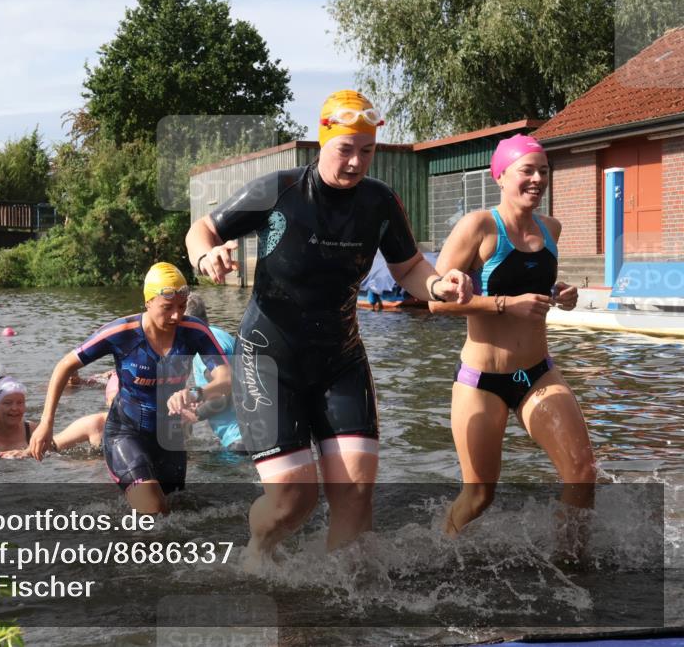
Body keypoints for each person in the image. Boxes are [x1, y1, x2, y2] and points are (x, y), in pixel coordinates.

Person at [184, 89, 473, 563]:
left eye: (367, 150)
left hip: (340, 359)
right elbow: (204, 228)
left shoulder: (379, 203)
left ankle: (340, 590)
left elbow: (407, 269)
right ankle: (258, 546)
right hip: (268, 359)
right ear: (323, 140)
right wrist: (206, 254)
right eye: (346, 149)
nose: (357, 162)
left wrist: (438, 286)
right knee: (294, 501)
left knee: (357, 490)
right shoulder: (279, 190)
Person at [430, 134, 596, 543]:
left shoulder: (551, 227)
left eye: (544, 171)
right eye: (528, 170)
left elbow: (533, 284)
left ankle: (571, 563)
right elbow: (435, 303)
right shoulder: (479, 226)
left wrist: (561, 294)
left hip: (537, 375)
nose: (538, 178)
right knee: (480, 495)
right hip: (482, 381)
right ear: (501, 176)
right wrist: (506, 304)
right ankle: (440, 553)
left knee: (582, 474)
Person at [20, 263, 232, 514]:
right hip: (126, 433)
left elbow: (228, 378)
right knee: (155, 510)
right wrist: (46, 423)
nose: (176, 316)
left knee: (177, 512)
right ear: (148, 302)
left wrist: (197, 392)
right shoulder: (121, 332)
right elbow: (64, 366)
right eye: (167, 308)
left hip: (170, 436)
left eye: (181, 307)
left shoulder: (194, 331)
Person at [181, 293, 244, 452]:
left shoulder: (208, 353)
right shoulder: (217, 336)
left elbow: (224, 394)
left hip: (239, 441)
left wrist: (191, 416)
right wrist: (192, 396)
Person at [0, 378, 105, 454]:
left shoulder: (33, 431)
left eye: (20, 403)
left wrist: (28, 453)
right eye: (7, 403)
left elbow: (57, 448)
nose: (14, 408)